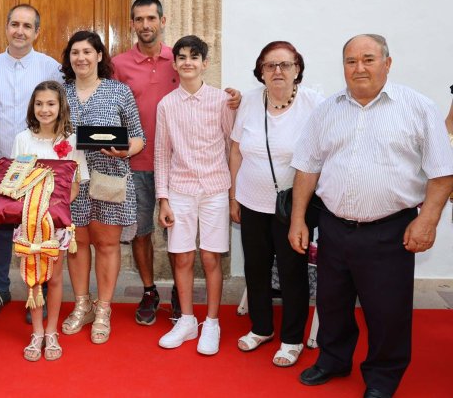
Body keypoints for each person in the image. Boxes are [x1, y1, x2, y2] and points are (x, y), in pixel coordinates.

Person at [289, 34, 453, 398]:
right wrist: (298, 219)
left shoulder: (417, 107)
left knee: (387, 311)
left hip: (390, 231)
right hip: (333, 226)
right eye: (351, 61)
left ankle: (382, 377)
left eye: (368, 59)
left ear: (387, 63)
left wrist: (426, 221)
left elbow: (442, 173)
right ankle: (333, 359)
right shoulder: (327, 110)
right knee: (332, 303)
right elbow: (306, 169)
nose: (359, 68)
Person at [113, 0, 241, 325]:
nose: (145, 25)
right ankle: (149, 290)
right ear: (132, 24)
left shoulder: (179, 57)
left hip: (184, 167)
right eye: (139, 19)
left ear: (163, 21)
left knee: (180, 241)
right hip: (138, 163)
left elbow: (219, 117)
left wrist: (235, 99)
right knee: (142, 231)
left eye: (151, 18)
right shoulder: (119, 65)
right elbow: (112, 109)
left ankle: (178, 295)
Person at [228, 41, 323, 366]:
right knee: (254, 269)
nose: (278, 71)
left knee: (292, 271)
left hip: (294, 208)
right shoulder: (251, 101)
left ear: (297, 69)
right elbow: (237, 150)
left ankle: (293, 338)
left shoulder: (313, 103)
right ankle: (262, 327)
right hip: (252, 201)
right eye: (270, 66)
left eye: (285, 64)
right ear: (261, 72)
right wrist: (233, 196)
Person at [0, 4, 62, 320]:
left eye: (27, 26)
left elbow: (59, 111)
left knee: (38, 230)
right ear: (6, 26)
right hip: (2, 163)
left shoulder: (51, 67)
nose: (20, 31)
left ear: (37, 32)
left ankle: (35, 293)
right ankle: (0, 289)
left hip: (40, 168)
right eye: (15, 24)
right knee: (0, 230)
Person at [60, 30, 145, 344]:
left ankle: (104, 309)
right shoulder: (59, 91)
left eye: (87, 52)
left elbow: (138, 136)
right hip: (71, 182)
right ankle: (82, 304)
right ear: (69, 58)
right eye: (75, 52)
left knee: (107, 245)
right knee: (77, 245)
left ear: (99, 55)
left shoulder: (118, 91)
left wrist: (126, 150)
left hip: (109, 176)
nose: (81, 58)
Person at [154, 36, 235, 355]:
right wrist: (163, 198)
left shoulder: (221, 101)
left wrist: (233, 195)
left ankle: (212, 322)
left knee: (210, 257)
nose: (188, 62)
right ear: (174, 64)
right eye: (182, 57)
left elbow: (232, 146)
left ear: (205, 63)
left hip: (215, 189)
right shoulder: (166, 105)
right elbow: (161, 152)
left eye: (194, 56)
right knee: (182, 256)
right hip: (180, 191)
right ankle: (187, 320)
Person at [10, 81, 89, 361]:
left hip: (55, 223)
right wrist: (33, 209)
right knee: (34, 279)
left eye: (51, 104)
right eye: (39, 104)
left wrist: (57, 208)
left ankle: (53, 331)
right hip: (30, 221)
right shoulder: (22, 139)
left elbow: (77, 183)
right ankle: (38, 332)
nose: (45, 109)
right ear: (33, 106)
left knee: (54, 278)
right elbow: (15, 182)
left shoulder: (71, 140)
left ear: (61, 107)